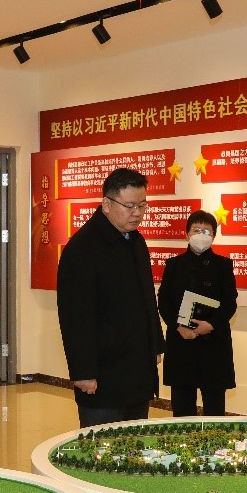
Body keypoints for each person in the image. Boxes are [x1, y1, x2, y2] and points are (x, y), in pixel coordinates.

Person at [57, 167, 164, 427]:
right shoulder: (82, 248)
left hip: (138, 370)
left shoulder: (136, 241)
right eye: (129, 206)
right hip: (103, 377)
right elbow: (75, 316)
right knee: (102, 444)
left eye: (142, 205)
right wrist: (83, 371)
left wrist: (155, 344)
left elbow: (147, 298)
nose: (137, 213)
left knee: (135, 442)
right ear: (106, 204)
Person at [156, 210, 237, 416]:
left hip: (214, 345)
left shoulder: (223, 265)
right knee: (182, 410)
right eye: (196, 230)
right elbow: (164, 301)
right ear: (187, 234)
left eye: (206, 231)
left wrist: (210, 325)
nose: (201, 235)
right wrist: (178, 326)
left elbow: (230, 303)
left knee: (214, 410)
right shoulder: (173, 265)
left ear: (214, 236)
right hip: (181, 344)